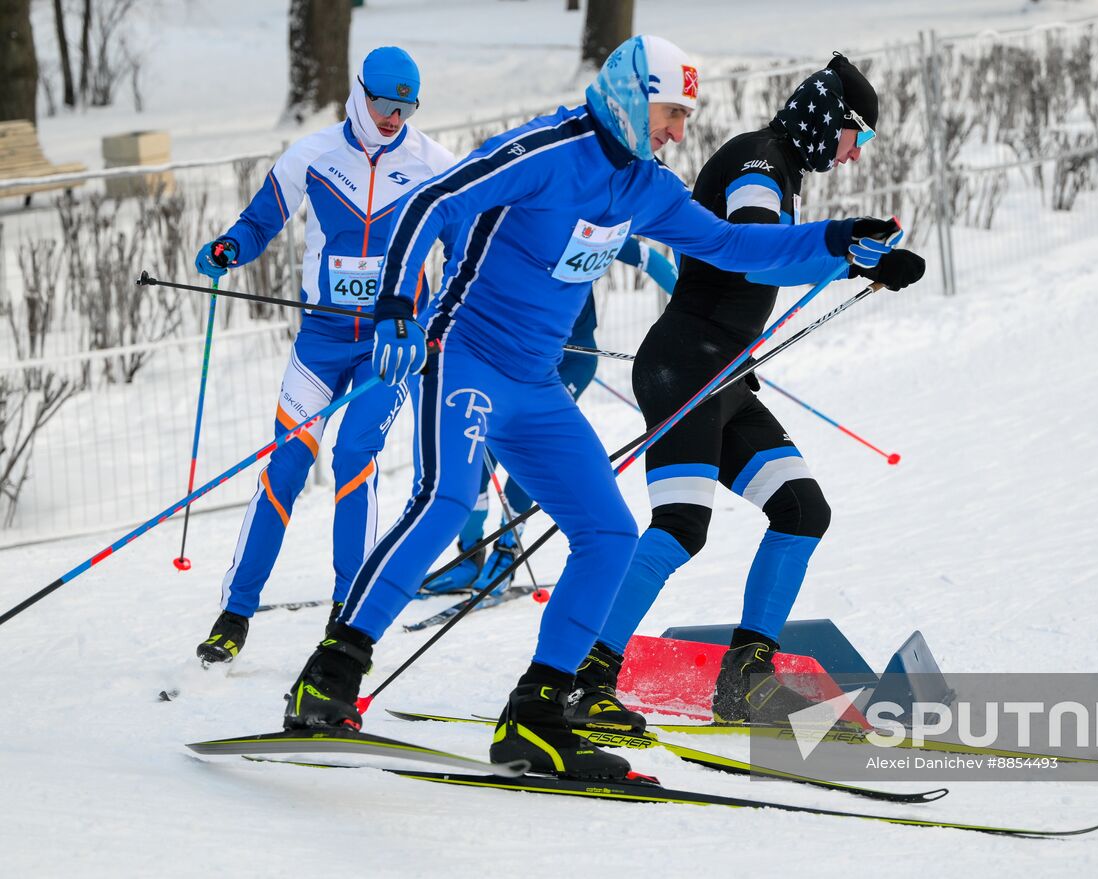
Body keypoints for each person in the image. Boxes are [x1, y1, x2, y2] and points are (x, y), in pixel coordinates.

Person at [280, 35, 920, 782]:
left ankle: (539, 717)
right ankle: (330, 671)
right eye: (671, 113)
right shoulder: (546, 150)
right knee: (447, 499)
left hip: (538, 385)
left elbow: (733, 246)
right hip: (467, 357)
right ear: (629, 94)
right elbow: (432, 199)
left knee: (609, 531)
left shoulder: (645, 186)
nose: (680, 131)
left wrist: (845, 245)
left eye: (685, 116)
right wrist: (394, 301)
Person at [566, 54, 925, 733]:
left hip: (721, 376)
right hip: (684, 366)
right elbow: (756, 246)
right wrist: (847, 251)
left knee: (801, 510)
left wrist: (862, 260)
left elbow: (777, 250)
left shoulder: (782, 173)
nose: (853, 155)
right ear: (828, 118)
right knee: (679, 529)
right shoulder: (759, 161)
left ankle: (744, 680)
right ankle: (582, 675)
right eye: (859, 137)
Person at [193, 47, 456, 664]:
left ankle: (347, 615)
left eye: (406, 107)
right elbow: (259, 223)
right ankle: (235, 613)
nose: (393, 118)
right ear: (358, 94)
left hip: (387, 350)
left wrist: (433, 317)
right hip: (320, 343)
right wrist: (231, 246)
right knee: (284, 470)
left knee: (354, 461)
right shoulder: (311, 156)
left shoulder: (433, 164)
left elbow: (467, 244)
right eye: (384, 104)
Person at [419, 238, 677, 596]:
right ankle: (469, 555)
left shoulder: (592, 229)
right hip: (512, 362)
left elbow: (651, 261)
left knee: (531, 454)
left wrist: (690, 323)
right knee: (477, 458)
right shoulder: (510, 229)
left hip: (570, 361)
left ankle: (508, 550)